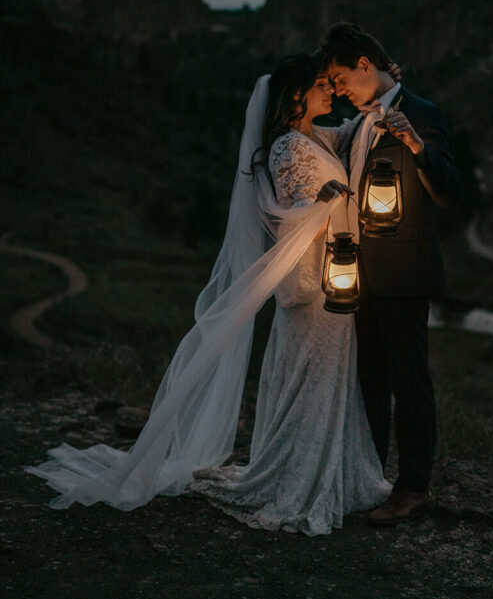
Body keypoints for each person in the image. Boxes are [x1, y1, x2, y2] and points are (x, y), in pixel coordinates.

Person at [25, 54, 391, 536]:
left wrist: (381, 104)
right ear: (296, 95)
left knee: (325, 378)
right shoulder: (286, 148)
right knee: (310, 379)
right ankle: (294, 479)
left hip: (336, 276)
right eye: (321, 85)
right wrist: (328, 199)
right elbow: (288, 215)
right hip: (315, 281)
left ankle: (327, 472)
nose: (329, 91)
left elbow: (351, 135)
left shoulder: (313, 138)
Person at [320, 23, 461, 526]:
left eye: (341, 79)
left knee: (410, 383)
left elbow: (447, 190)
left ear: (364, 65)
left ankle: (413, 488)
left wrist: (415, 143)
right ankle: (370, 480)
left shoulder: (423, 113)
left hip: (405, 272)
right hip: (361, 276)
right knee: (370, 384)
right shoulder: (358, 124)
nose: (338, 89)